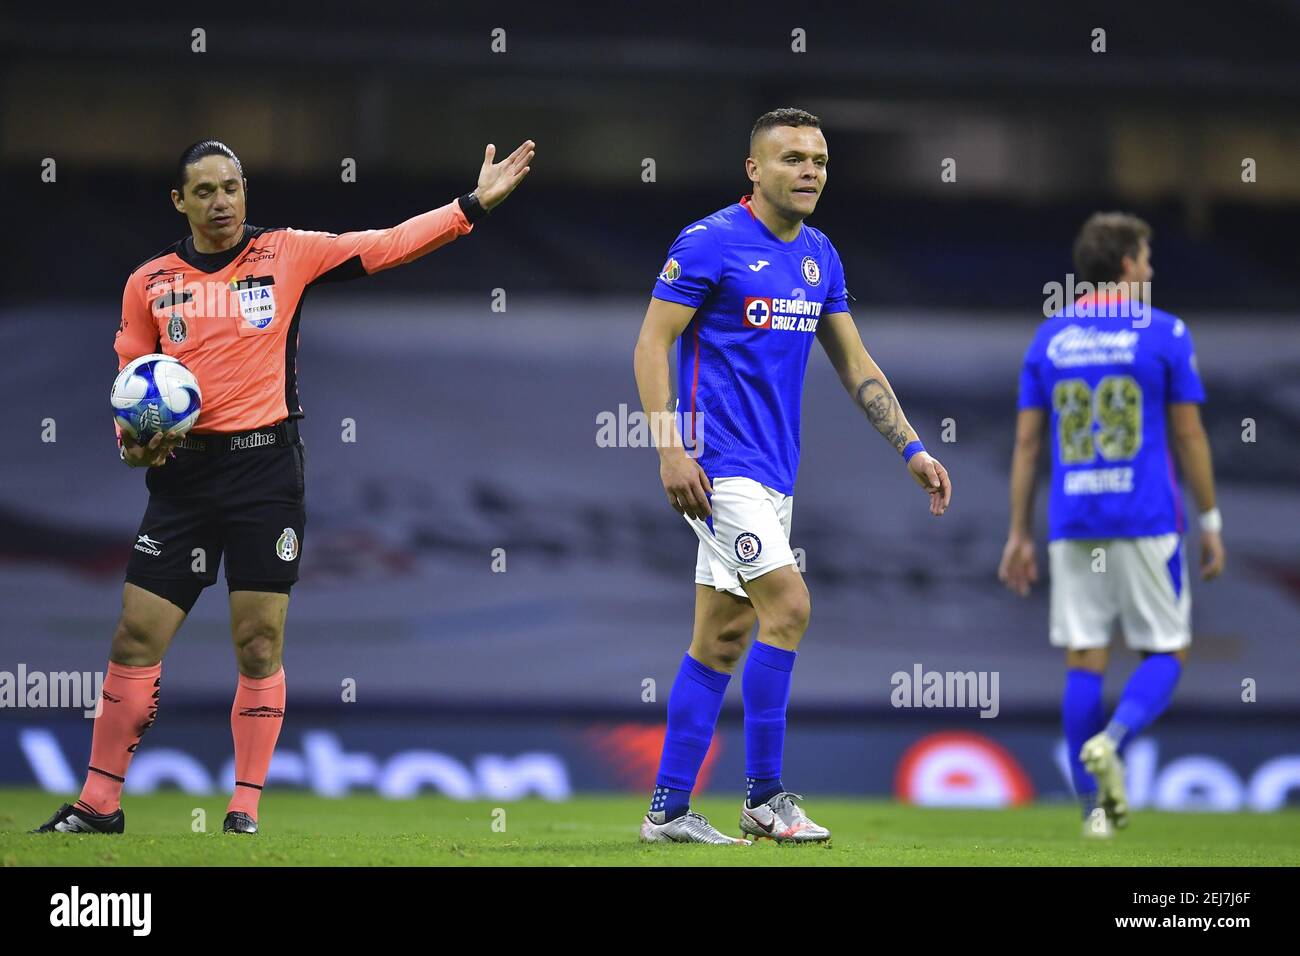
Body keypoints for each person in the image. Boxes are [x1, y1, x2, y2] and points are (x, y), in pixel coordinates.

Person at [34, 136, 535, 835]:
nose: (221, 202)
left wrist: (471, 207)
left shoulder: (288, 254)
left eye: (232, 187)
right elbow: (129, 392)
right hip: (183, 478)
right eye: (204, 191)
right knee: (134, 634)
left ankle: (244, 807)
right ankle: (98, 805)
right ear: (179, 201)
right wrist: (133, 450)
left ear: (246, 191)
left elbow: (386, 245)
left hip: (264, 471)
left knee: (259, 642)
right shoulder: (148, 283)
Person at [633, 108, 951, 844]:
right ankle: (766, 800)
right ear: (754, 168)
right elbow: (653, 342)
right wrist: (668, 447)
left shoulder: (820, 256)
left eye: (820, 160)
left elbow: (855, 365)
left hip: (776, 476)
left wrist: (912, 449)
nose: (810, 172)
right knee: (791, 607)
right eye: (792, 158)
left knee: (721, 638)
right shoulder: (709, 241)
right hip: (718, 468)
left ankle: (668, 812)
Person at [998, 212, 1224, 837]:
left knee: (1084, 660)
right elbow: (1188, 433)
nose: (1150, 269)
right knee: (1168, 650)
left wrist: (1019, 532)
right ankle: (1116, 739)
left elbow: (1025, 447)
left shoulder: (1049, 340)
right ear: (1127, 264)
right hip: (1147, 515)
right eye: (1146, 258)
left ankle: (1092, 813)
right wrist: (1209, 518)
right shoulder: (1165, 333)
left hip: (1074, 518)